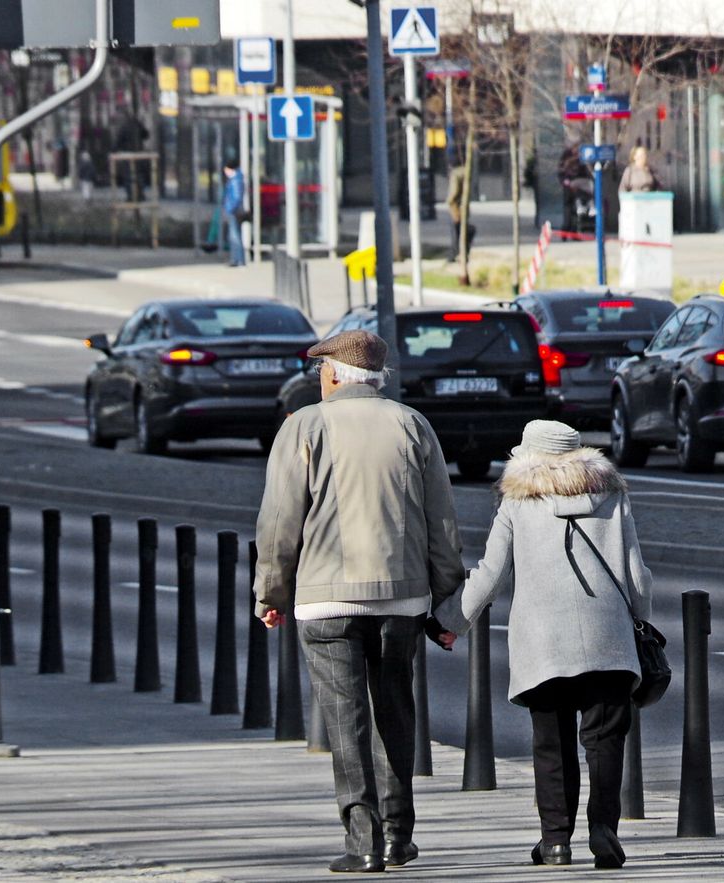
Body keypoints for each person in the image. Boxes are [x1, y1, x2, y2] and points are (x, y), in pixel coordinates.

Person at [254, 330, 464, 873]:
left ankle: (362, 841)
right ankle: (398, 835)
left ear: (330, 376)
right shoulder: (412, 425)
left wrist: (271, 592)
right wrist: (446, 601)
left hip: (325, 602)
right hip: (401, 600)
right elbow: (441, 523)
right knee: (394, 709)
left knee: (343, 719)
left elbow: (279, 523)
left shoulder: (303, 426)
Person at [429, 420, 653, 870]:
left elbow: (491, 575)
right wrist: (639, 621)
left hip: (544, 642)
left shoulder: (517, 501)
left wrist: (450, 622)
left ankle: (555, 841)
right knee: (605, 738)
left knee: (551, 743)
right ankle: (603, 829)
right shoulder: (612, 495)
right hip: (607, 638)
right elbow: (636, 575)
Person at [445, 157, 471, 262]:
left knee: (456, 232)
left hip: (456, 208)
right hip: (464, 206)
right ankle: (463, 253)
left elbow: (454, 191)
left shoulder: (455, 174)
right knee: (462, 231)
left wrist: (449, 201)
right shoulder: (466, 172)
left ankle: (455, 253)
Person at [222, 158, 246, 267]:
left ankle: (238, 259)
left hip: (234, 211)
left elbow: (236, 197)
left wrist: (230, 208)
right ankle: (236, 259)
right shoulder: (236, 179)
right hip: (234, 210)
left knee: (234, 236)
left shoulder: (235, 180)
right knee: (234, 235)